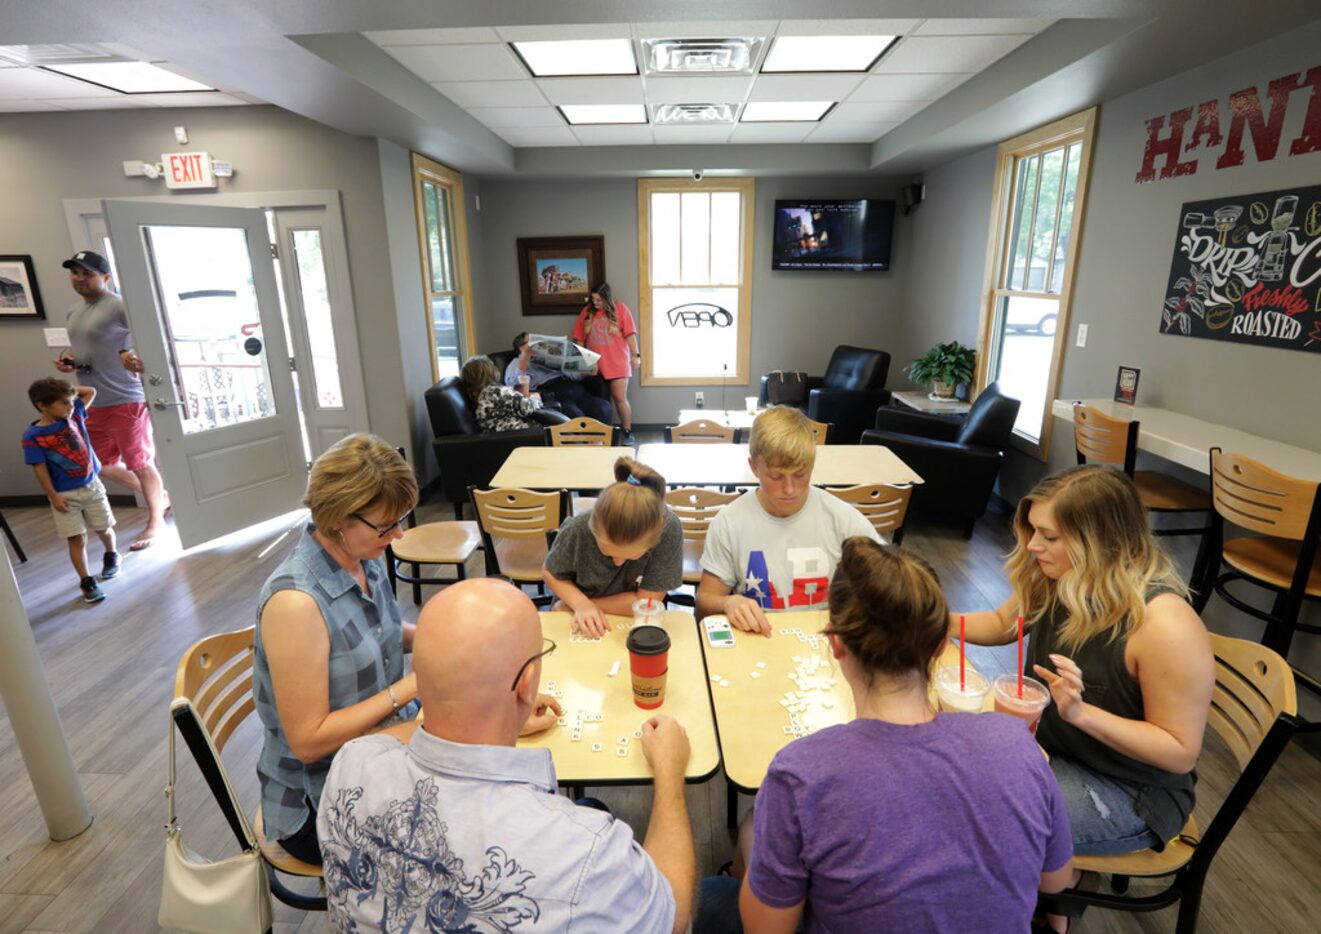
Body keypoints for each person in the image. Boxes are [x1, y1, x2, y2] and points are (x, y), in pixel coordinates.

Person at [722, 538, 1073, 933]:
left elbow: (766, 930)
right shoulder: (1017, 742)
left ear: (836, 644)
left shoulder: (799, 774)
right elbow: (1056, 881)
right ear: (943, 643)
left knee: (723, 881)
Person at [318, 578, 696, 933]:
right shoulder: (586, 851)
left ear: (418, 672)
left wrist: (499, 719)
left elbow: (389, 740)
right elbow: (672, 913)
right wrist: (669, 772)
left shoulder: (349, 763)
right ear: (527, 685)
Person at [955, 465, 1215, 857]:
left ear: (1099, 542)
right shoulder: (1061, 577)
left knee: (972, 820)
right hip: (1053, 751)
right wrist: (928, 619)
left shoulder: (1165, 626)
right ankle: (1057, 892)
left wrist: (1082, 713)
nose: (1031, 547)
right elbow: (1000, 624)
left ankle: (1049, 896)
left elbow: (1178, 750)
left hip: (1127, 789)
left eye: (1049, 536)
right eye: (1034, 531)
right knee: (949, 779)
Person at [253, 433, 421, 865]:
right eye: (387, 525)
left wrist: (443, 640)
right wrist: (416, 685)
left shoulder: (361, 557)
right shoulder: (296, 604)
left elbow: (379, 627)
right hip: (319, 801)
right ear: (337, 518)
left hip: (378, 754)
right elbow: (309, 741)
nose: (398, 533)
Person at [696, 405, 880, 633]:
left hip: (827, 644)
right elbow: (704, 602)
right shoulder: (729, 522)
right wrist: (727, 602)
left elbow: (887, 583)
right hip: (759, 637)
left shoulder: (843, 519)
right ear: (753, 467)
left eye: (800, 474)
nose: (790, 489)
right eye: (776, 476)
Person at [54, 250, 169, 551]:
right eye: (74, 273)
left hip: (126, 400)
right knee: (100, 463)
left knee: (141, 463)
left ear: (105, 278)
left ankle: (155, 520)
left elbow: (146, 337)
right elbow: (84, 347)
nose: (79, 279)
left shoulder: (118, 306)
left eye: (87, 274)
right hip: (91, 401)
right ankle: (163, 498)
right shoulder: (73, 312)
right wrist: (70, 361)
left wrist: (131, 355)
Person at [543, 457, 683, 638]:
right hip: (573, 611)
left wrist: (583, 604)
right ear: (593, 530)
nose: (618, 563)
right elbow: (550, 571)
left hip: (622, 617)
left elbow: (646, 603)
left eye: (632, 556)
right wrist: (579, 604)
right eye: (607, 552)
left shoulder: (668, 528)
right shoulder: (578, 528)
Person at [22, 377, 119, 605]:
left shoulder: (74, 415)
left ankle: (112, 555)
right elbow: (40, 469)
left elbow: (90, 391)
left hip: (91, 486)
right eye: (63, 403)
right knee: (76, 538)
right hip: (64, 495)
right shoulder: (32, 437)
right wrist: (53, 496)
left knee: (104, 528)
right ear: (41, 405)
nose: (69, 406)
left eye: (70, 401)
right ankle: (86, 581)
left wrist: (66, 392)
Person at [572, 282, 640, 445]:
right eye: (594, 299)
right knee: (601, 402)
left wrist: (635, 355)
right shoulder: (586, 313)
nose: (596, 303)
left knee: (619, 398)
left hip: (618, 362)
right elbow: (579, 340)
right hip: (595, 365)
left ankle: (627, 432)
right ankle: (602, 435)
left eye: (599, 300)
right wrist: (582, 362)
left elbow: (630, 334)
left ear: (607, 298)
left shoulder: (620, 309)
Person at [504, 331, 613, 423]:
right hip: (556, 395)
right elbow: (511, 383)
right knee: (578, 418)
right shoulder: (516, 363)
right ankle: (588, 447)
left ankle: (602, 446)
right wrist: (524, 360)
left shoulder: (549, 355)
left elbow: (571, 374)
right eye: (531, 342)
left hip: (576, 390)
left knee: (603, 407)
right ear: (521, 348)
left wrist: (585, 372)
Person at [461, 353, 542, 432]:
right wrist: (535, 397)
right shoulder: (493, 392)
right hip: (525, 434)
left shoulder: (480, 398)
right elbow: (527, 407)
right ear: (490, 372)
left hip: (503, 437)